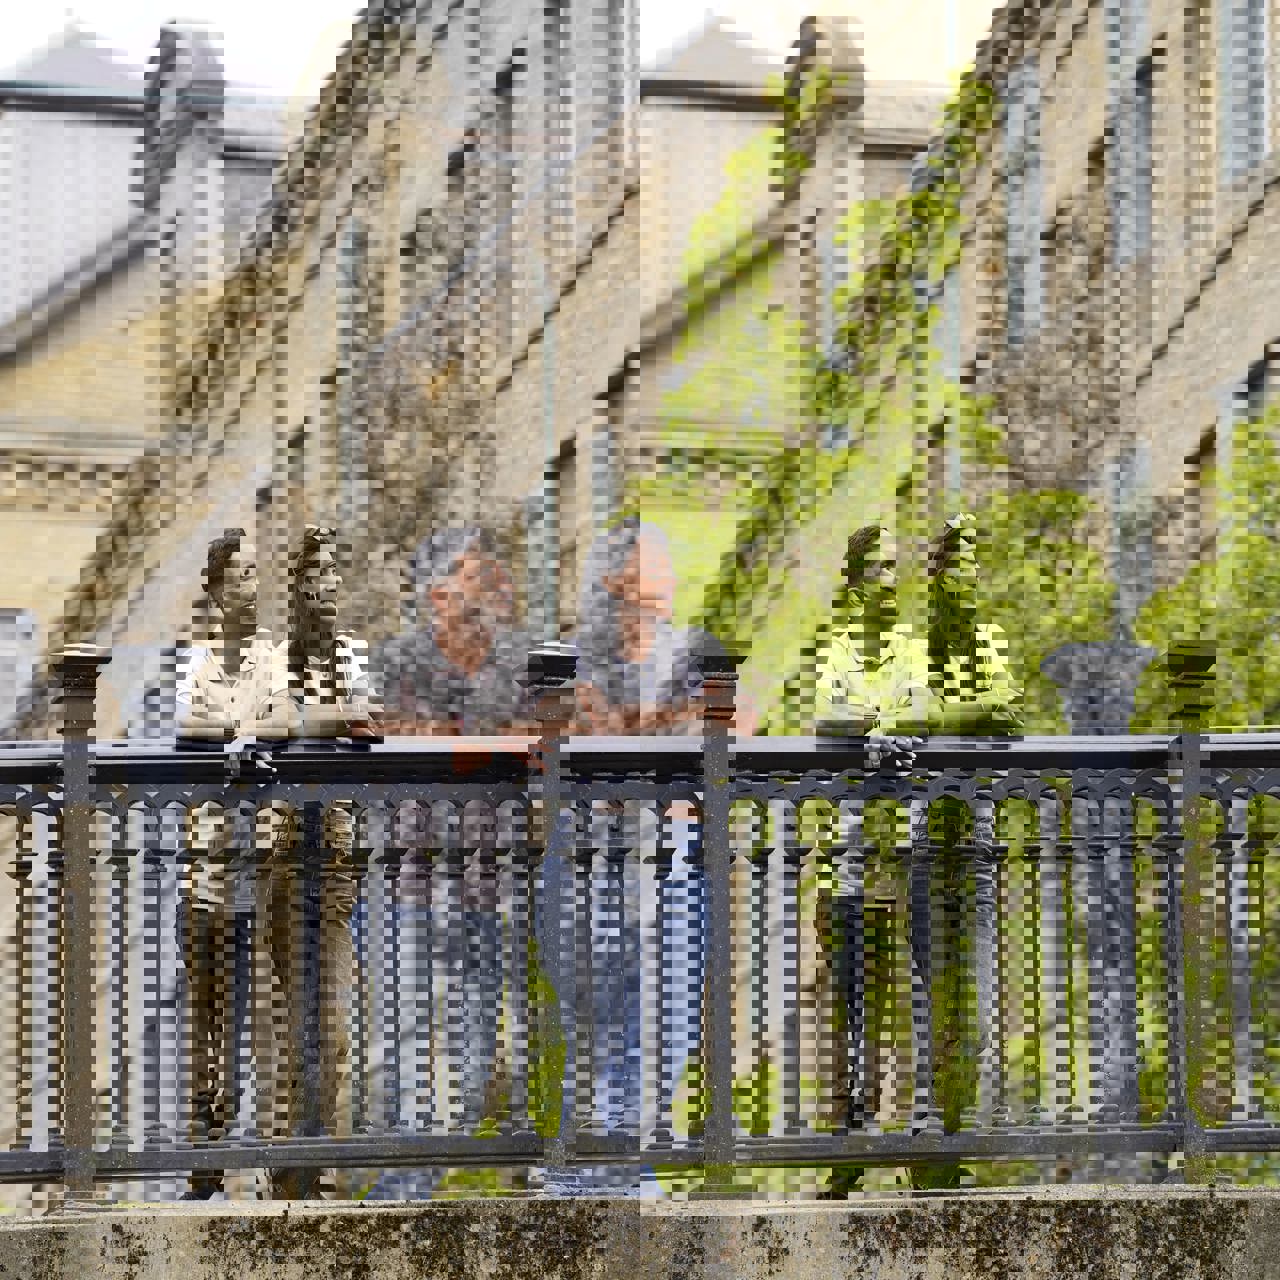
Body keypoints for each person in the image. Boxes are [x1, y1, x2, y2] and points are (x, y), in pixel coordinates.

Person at [173, 528, 291, 1200]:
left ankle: (263, 1162)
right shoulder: (196, 660)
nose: (251, 584)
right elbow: (189, 727)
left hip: (263, 869)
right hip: (206, 869)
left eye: (254, 572)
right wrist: (236, 731)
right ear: (217, 589)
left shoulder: (272, 659)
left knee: (260, 1025)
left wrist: (245, 732)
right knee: (206, 1023)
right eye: (240, 574)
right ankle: (205, 1162)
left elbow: (284, 723)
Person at [264, 524, 376, 1200]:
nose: (326, 588)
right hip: (280, 855)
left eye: (334, 576)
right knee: (292, 1017)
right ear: (297, 589)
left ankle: (317, 1162)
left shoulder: (353, 656)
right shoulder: (272, 660)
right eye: (315, 576)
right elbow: (276, 727)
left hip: (334, 854)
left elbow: (365, 728)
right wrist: (336, 717)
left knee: (331, 1023)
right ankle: (290, 1161)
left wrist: (333, 717)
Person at [371, 527, 533, 736]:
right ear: (440, 596)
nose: (505, 589)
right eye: (482, 577)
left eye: (502, 577)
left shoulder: (526, 659)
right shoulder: (396, 662)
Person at [814, 524, 931, 744]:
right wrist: (880, 722)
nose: (896, 578)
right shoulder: (835, 654)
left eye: (894, 566)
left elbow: (923, 714)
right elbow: (824, 717)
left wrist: (876, 727)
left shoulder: (911, 651)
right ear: (858, 599)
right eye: (885, 567)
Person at [925, 512, 1022, 735]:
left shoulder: (987, 639)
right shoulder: (923, 649)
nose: (976, 573)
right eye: (967, 565)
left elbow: (1012, 703)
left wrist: (968, 713)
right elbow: (932, 720)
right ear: (946, 580)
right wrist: (986, 708)